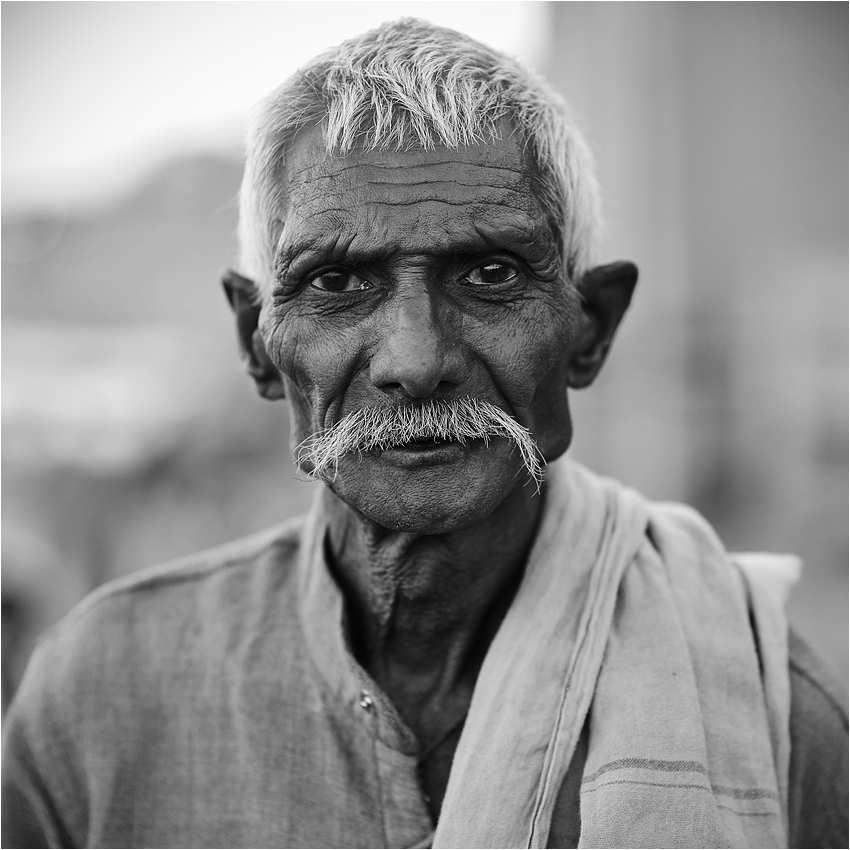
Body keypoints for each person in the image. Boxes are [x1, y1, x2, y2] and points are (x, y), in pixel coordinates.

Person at [3, 18, 846, 849]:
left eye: (490, 274)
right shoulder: (101, 697)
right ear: (256, 346)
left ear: (591, 329)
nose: (416, 359)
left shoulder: (774, 715)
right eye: (336, 281)